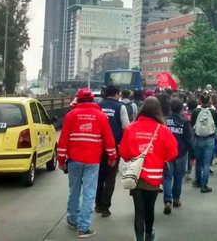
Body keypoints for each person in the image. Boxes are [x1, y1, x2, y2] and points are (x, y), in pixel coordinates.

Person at [57, 88, 117, 238]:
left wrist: (61, 160)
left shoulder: (71, 115)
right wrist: (112, 156)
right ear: (92, 100)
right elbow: (108, 139)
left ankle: (72, 219)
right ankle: (84, 227)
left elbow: (63, 140)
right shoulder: (100, 116)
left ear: (78, 100)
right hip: (92, 160)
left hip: (74, 160)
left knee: (74, 190)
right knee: (89, 193)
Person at [119, 97, 178, 241]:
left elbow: (123, 152)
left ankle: (139, 238)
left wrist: (132, 159)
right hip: (154, 177)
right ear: (158, 111)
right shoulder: (163, 130)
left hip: (136, 176)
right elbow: (173, 152)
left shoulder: (131, 128)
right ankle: (149, 234)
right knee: (149, 209)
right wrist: (160, 159)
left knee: (139, 211)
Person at [95, 85, 130, 217]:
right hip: (114, 147)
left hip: (97, 146)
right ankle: (105, 207)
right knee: (110, 177)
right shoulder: (120, 107)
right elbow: (126, 127)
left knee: (99, 175)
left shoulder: (98, 106)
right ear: (116, 94)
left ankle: (97, 204)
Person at [163, 98, 195, 214]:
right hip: (181, 152)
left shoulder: (165, 121)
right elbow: (188, 140)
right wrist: (192, 154)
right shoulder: (185, 122)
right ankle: (176, 199)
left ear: (170, 108)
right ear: (181, 108)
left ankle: (167, 200)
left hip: (166, 152)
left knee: (167, 177)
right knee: (178, 177)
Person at [190, 93, 217, 193]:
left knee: (198, 162)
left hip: (198, 139)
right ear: (210, 101)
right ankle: (204, 185)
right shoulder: (213, 112)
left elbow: (192, 125)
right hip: (209, 139)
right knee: (207, 163)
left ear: (200, 101)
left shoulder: (195, 111)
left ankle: (198, 181)